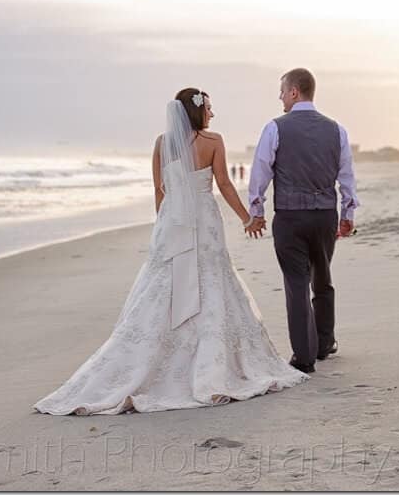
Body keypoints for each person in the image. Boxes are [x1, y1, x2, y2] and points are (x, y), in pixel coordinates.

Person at [33, 88, 309, 415]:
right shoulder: (214, 141)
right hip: (204, 220)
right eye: (208, 108)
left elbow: (159, 190)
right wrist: (247, 218)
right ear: (196, 111)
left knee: (164, 285)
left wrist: (163, 226)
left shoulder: (161, 144)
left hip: (172, 223)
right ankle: (210, 363)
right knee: (211, 280)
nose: (212, 114)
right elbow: (223, 183)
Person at [245, 68, 359, 374]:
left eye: (282, 91)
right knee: (322, 277)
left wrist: (256, 210)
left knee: (296, 283)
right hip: (324, 215)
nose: (280, 97)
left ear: (295, 92)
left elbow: (261, 171)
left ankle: (304, 357)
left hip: (290, 217)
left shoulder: (275, 128)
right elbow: (346, 176)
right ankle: (324, 343)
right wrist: (348, 214)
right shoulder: (337, 130)